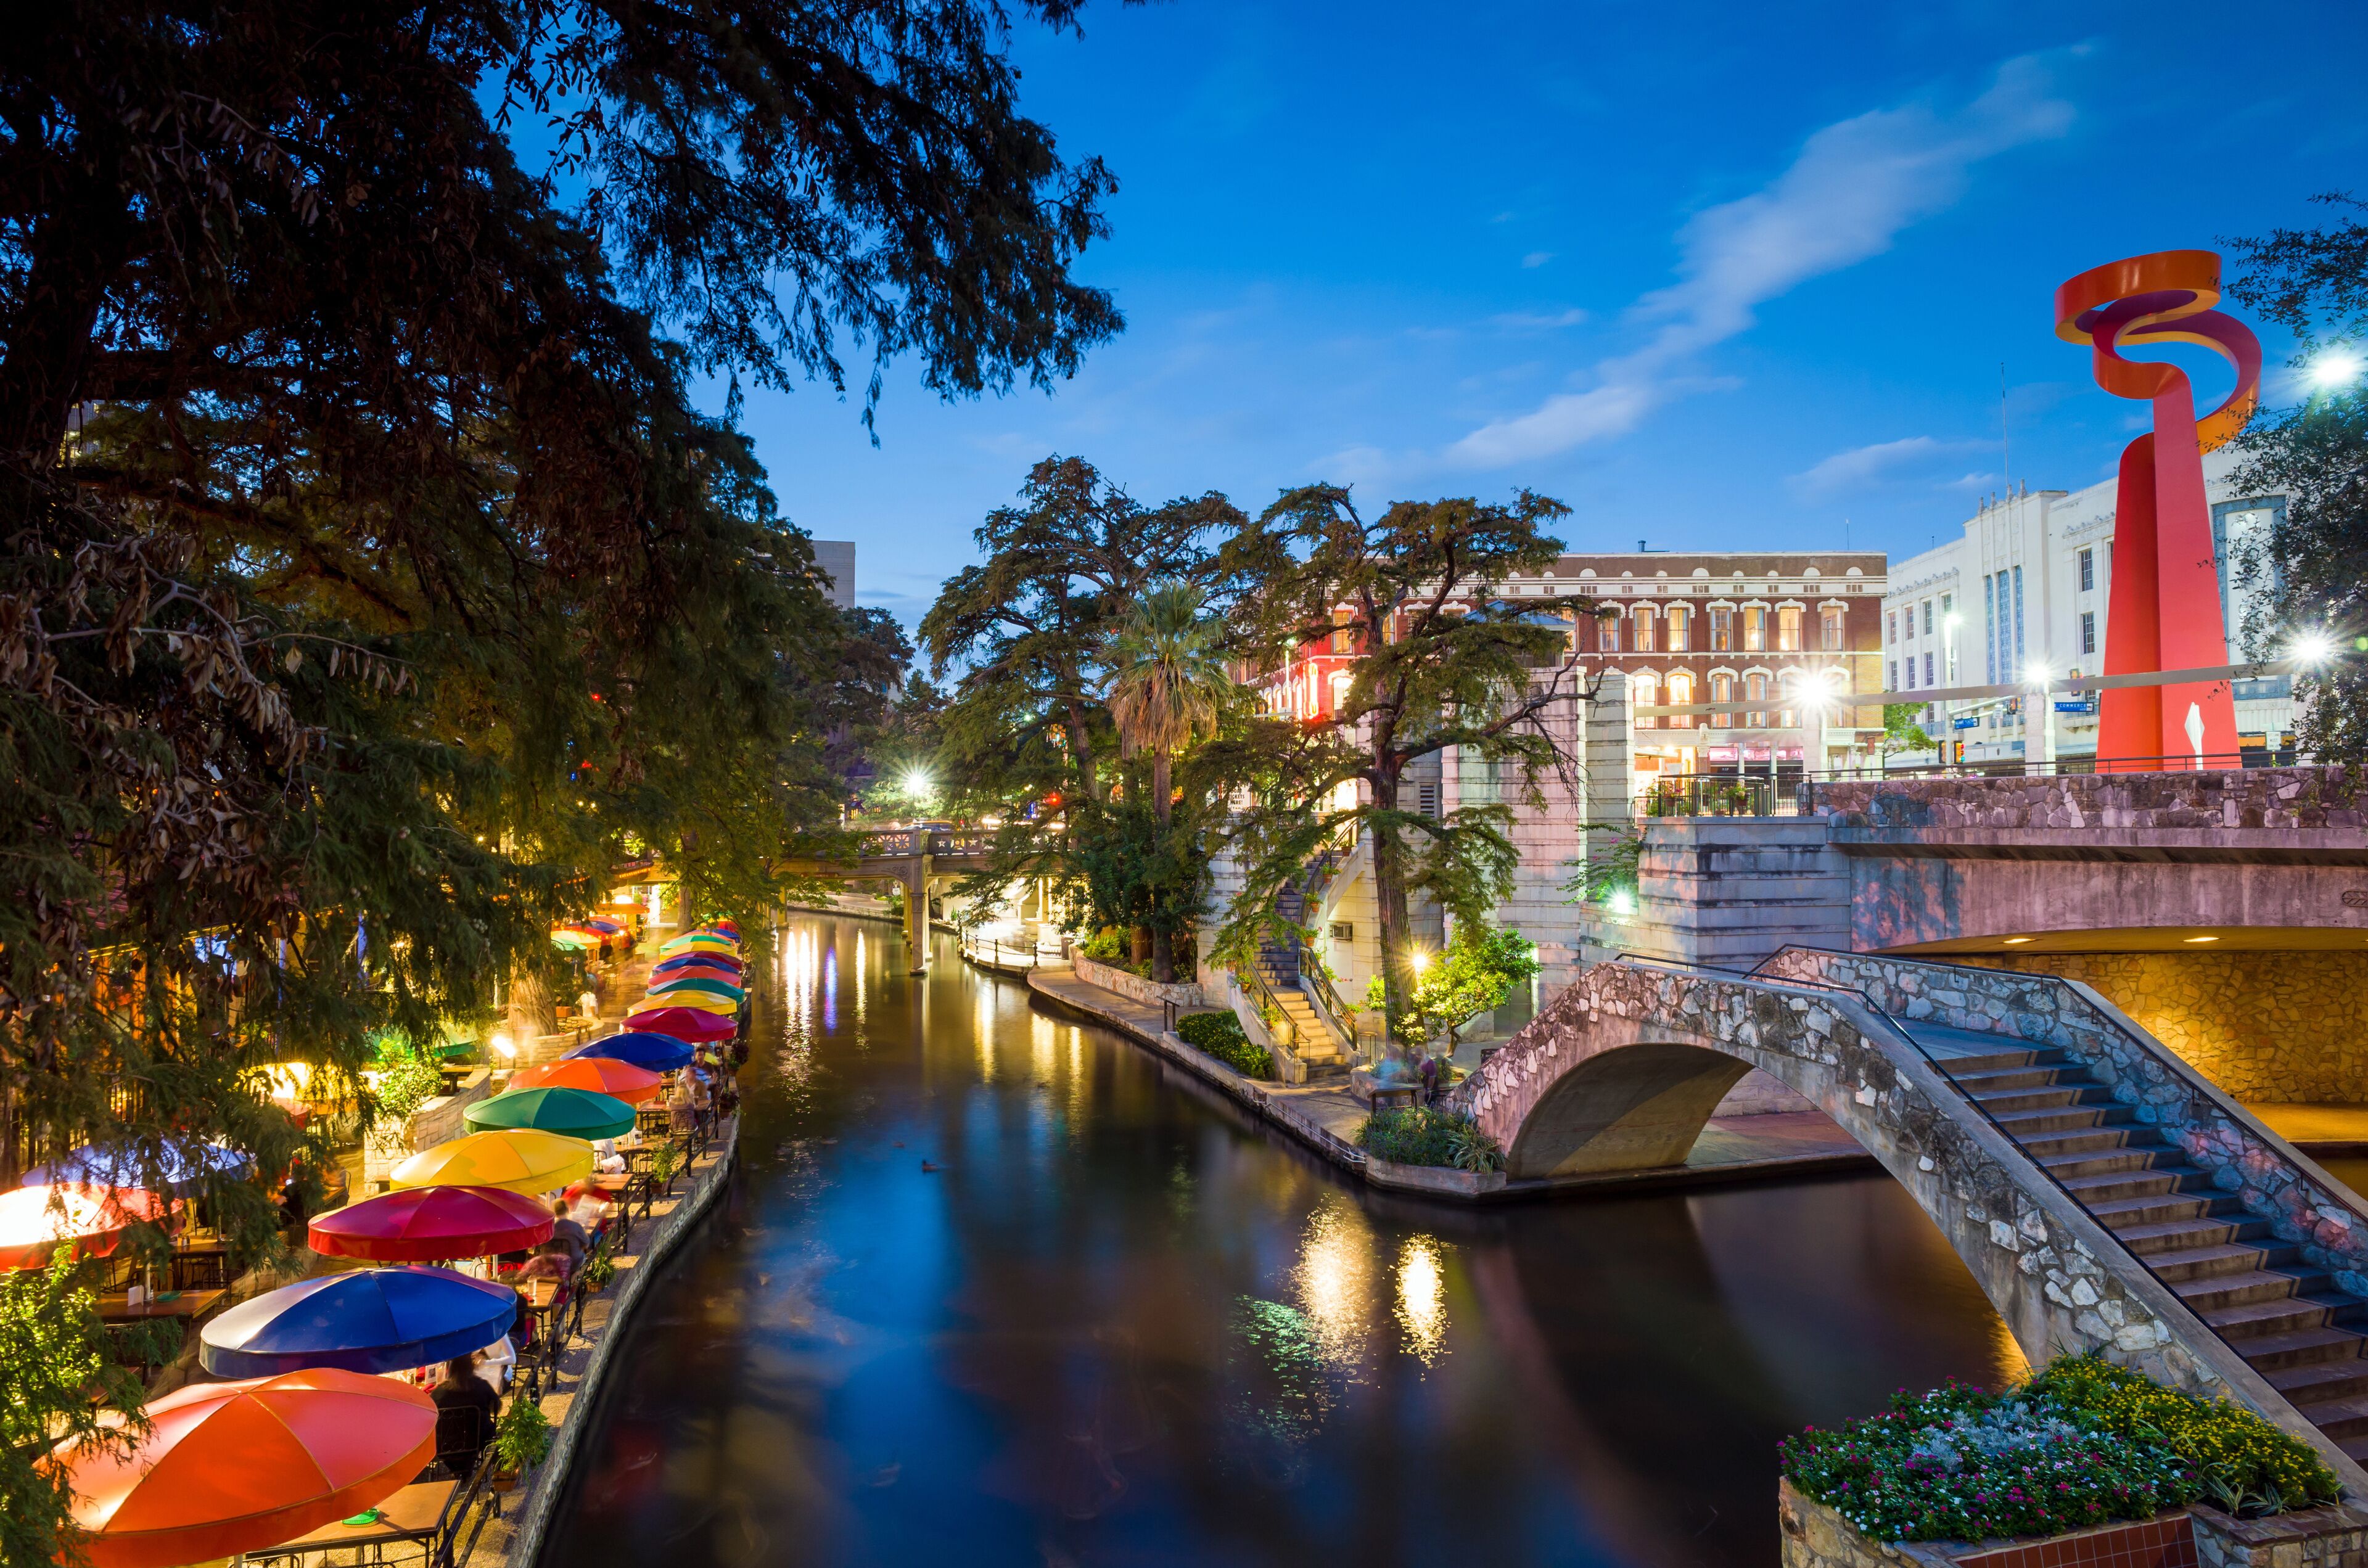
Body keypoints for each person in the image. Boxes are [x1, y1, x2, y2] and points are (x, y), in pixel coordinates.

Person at [431, 1357, 499, 1479]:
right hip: (478, 1440)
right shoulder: (482, 1387)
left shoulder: (439, 1392)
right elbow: (497, 1407)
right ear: (472, 1367)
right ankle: (466, 1467)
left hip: (445, 1446)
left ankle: (458, 1469)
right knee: (488, 1426)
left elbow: (429, 1418)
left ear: (449, 1369)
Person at [548, 1197, 590, 1273]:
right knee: (583, 1252)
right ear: (568, 1210)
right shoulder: (576, 1226)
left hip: (553, 1264)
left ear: (554, 1212)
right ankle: (577, 1275)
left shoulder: (549, 1228)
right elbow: (586, 1245)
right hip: (574, 1264)